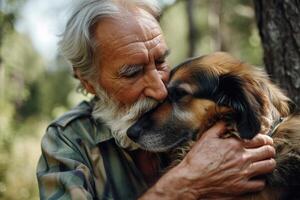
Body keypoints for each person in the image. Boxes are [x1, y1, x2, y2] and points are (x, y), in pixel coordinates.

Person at [36, 0, 276, 199]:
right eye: (132, 72)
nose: (160, 89)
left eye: (160, 61)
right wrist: (184, 184)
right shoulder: (67, 143)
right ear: (89, 83)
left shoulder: (196, 101)